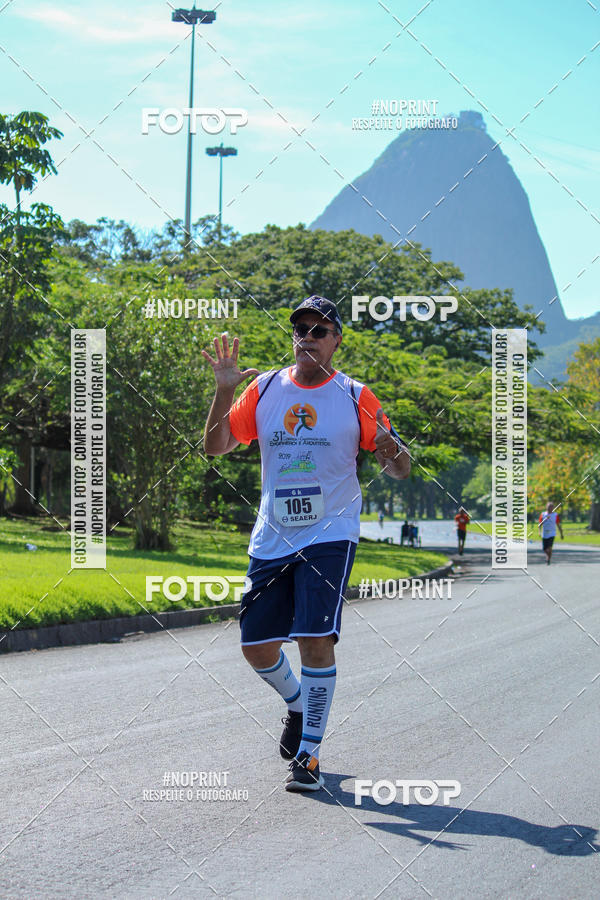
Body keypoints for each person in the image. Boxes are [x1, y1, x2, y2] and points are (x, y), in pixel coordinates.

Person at [202, 295, 410, 792]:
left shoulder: (357, 395)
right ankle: (296, 705)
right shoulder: (265, 388)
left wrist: (389, 447)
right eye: (302, 329)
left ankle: (310, 755)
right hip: (272, 536)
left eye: (320, 330)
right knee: (255, 647)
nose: (308, 337)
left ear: (337, 341)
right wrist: (223, 391)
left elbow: (399, 468)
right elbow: (214, 447)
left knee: (316, 641)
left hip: (330, 533)